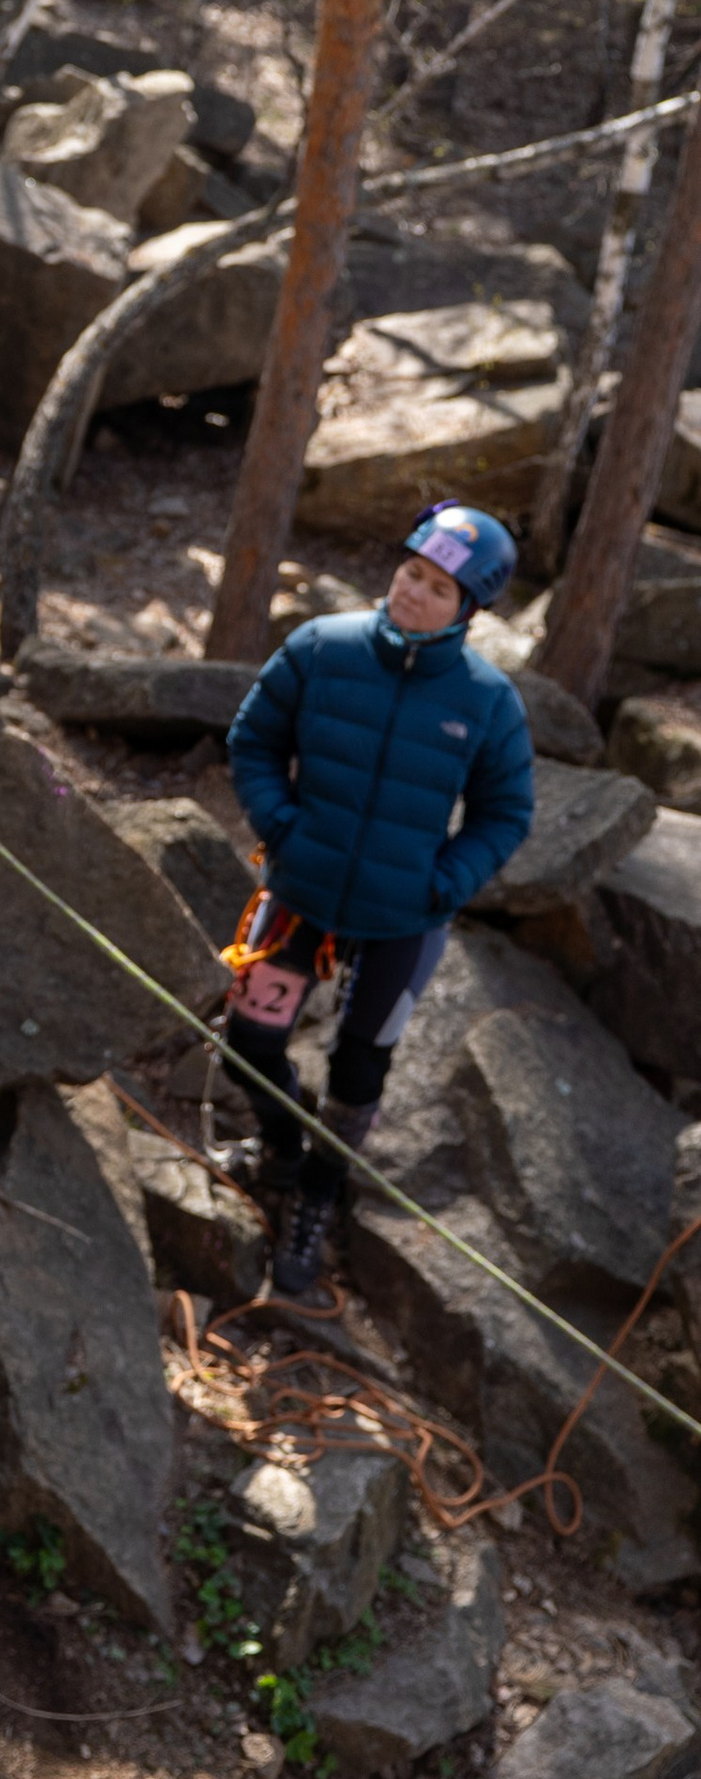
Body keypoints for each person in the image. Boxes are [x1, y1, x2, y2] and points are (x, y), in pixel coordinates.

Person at [221, 504, 535, 1305]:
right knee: (247, 1043)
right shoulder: (321, 649)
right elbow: (253, 740)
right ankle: (283, 1148)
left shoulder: (488, 701)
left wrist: (446, 882)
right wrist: (282, 825)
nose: (414, 595)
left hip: (405, 918)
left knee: (360, 1070)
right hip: (298, 892)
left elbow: (506, 812)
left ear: (470, 610)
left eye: (438, 589)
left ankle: (316, 1201)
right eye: (411, 575)